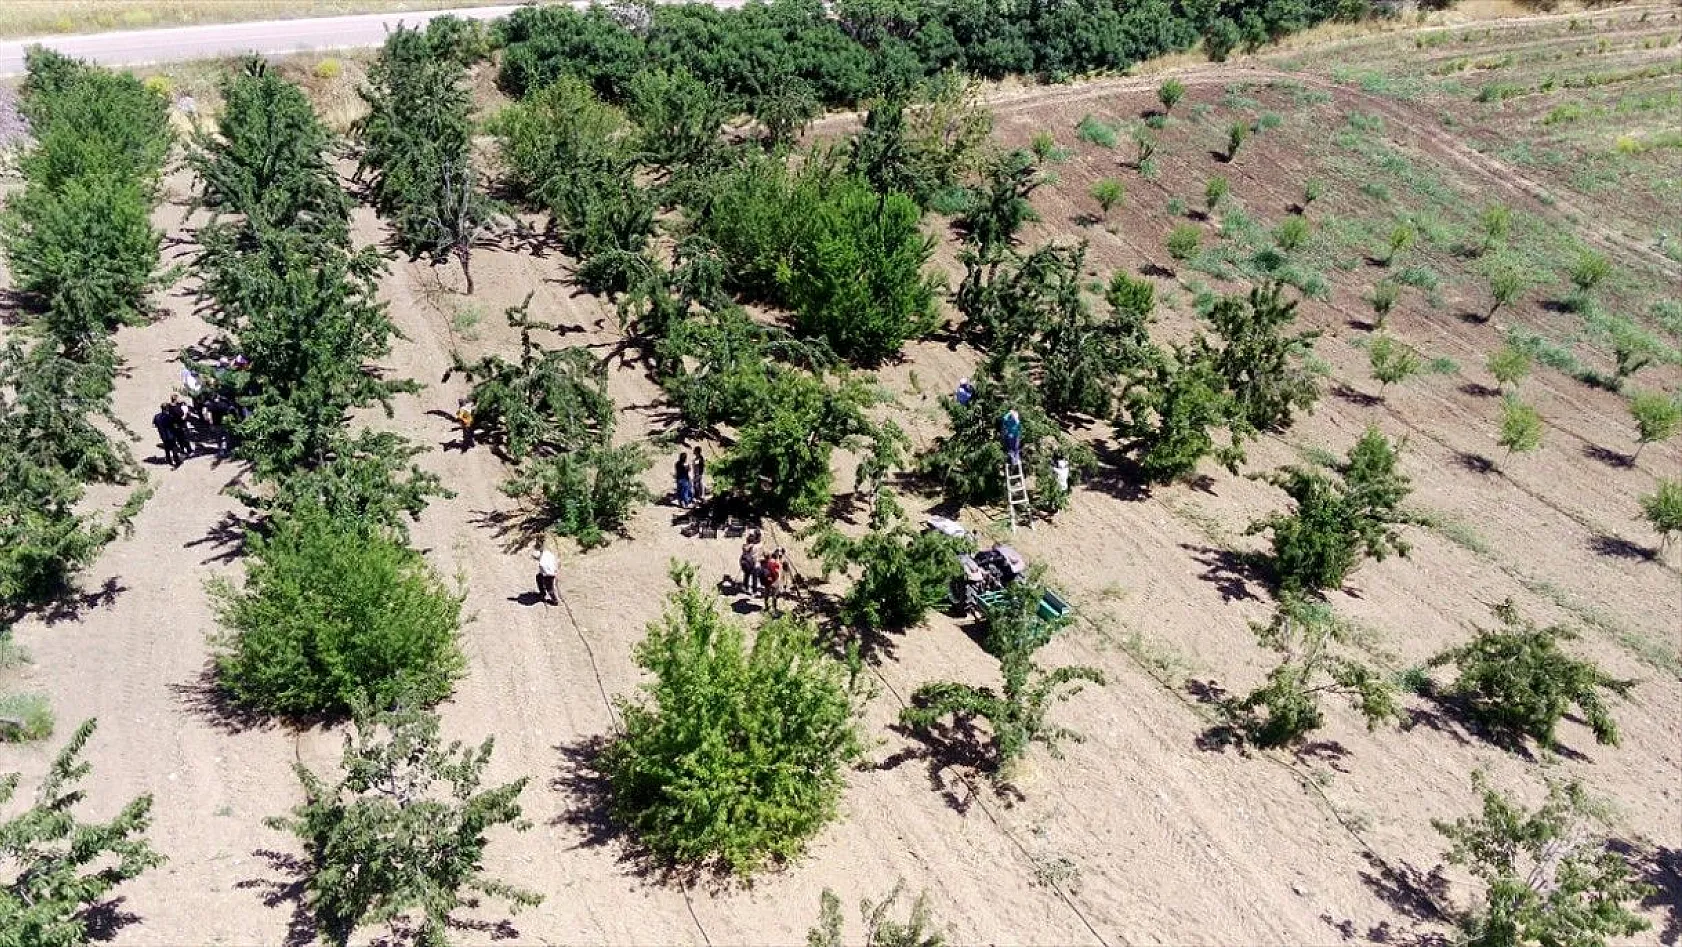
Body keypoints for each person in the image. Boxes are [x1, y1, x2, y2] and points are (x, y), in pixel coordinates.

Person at [153, 402, 182, 468]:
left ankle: (168, 459)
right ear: (167, 408)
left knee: (166, 447)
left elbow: (154, 425)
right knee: (174, 447)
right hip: (171, 434)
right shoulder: (170, 416)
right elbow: (175, 425)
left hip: (163, 434)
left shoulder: (157, 416)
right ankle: (177, 461)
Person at [761, 548, 784, 614]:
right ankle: (774, 609)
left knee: (766, 594)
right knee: (774, 596)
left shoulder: (764, 563)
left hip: (767, 581)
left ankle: (766, 607)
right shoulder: (775, 564)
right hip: (774, 581)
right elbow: (777, 572)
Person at [739, 530, 762, 595]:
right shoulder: (756, 546)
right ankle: (754, 591)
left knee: (747, 574)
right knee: (754, 576)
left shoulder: (746, 546)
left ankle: (746, 587)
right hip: (753, 562)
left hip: (747, 562)